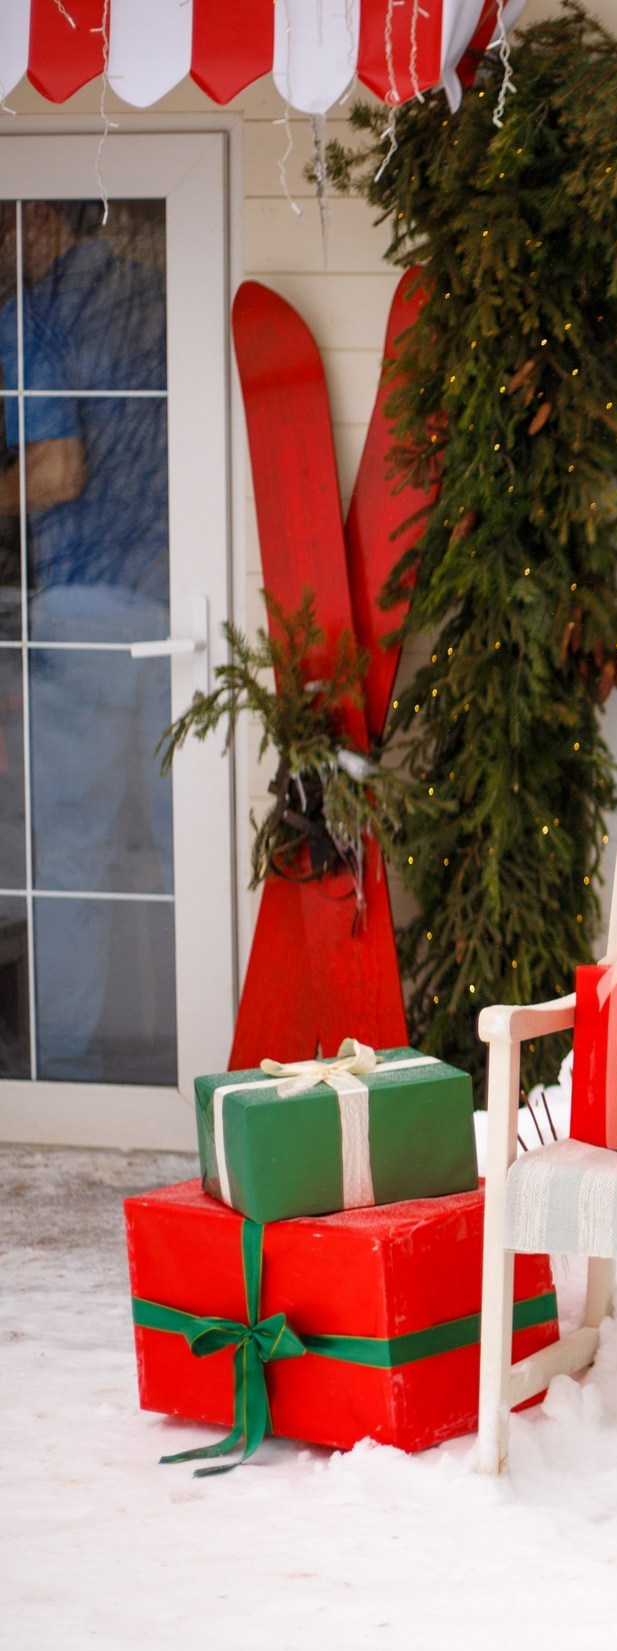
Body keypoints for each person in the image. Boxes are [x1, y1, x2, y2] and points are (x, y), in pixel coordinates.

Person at [3, 200, 172, 1081]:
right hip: (179, 604)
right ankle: (198, 1052)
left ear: (37, 227)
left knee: (73, 852)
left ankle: (66, 1065)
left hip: (83, 607)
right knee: (177, 847)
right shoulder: (155, 295)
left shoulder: (33, 315)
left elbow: (56, 470)